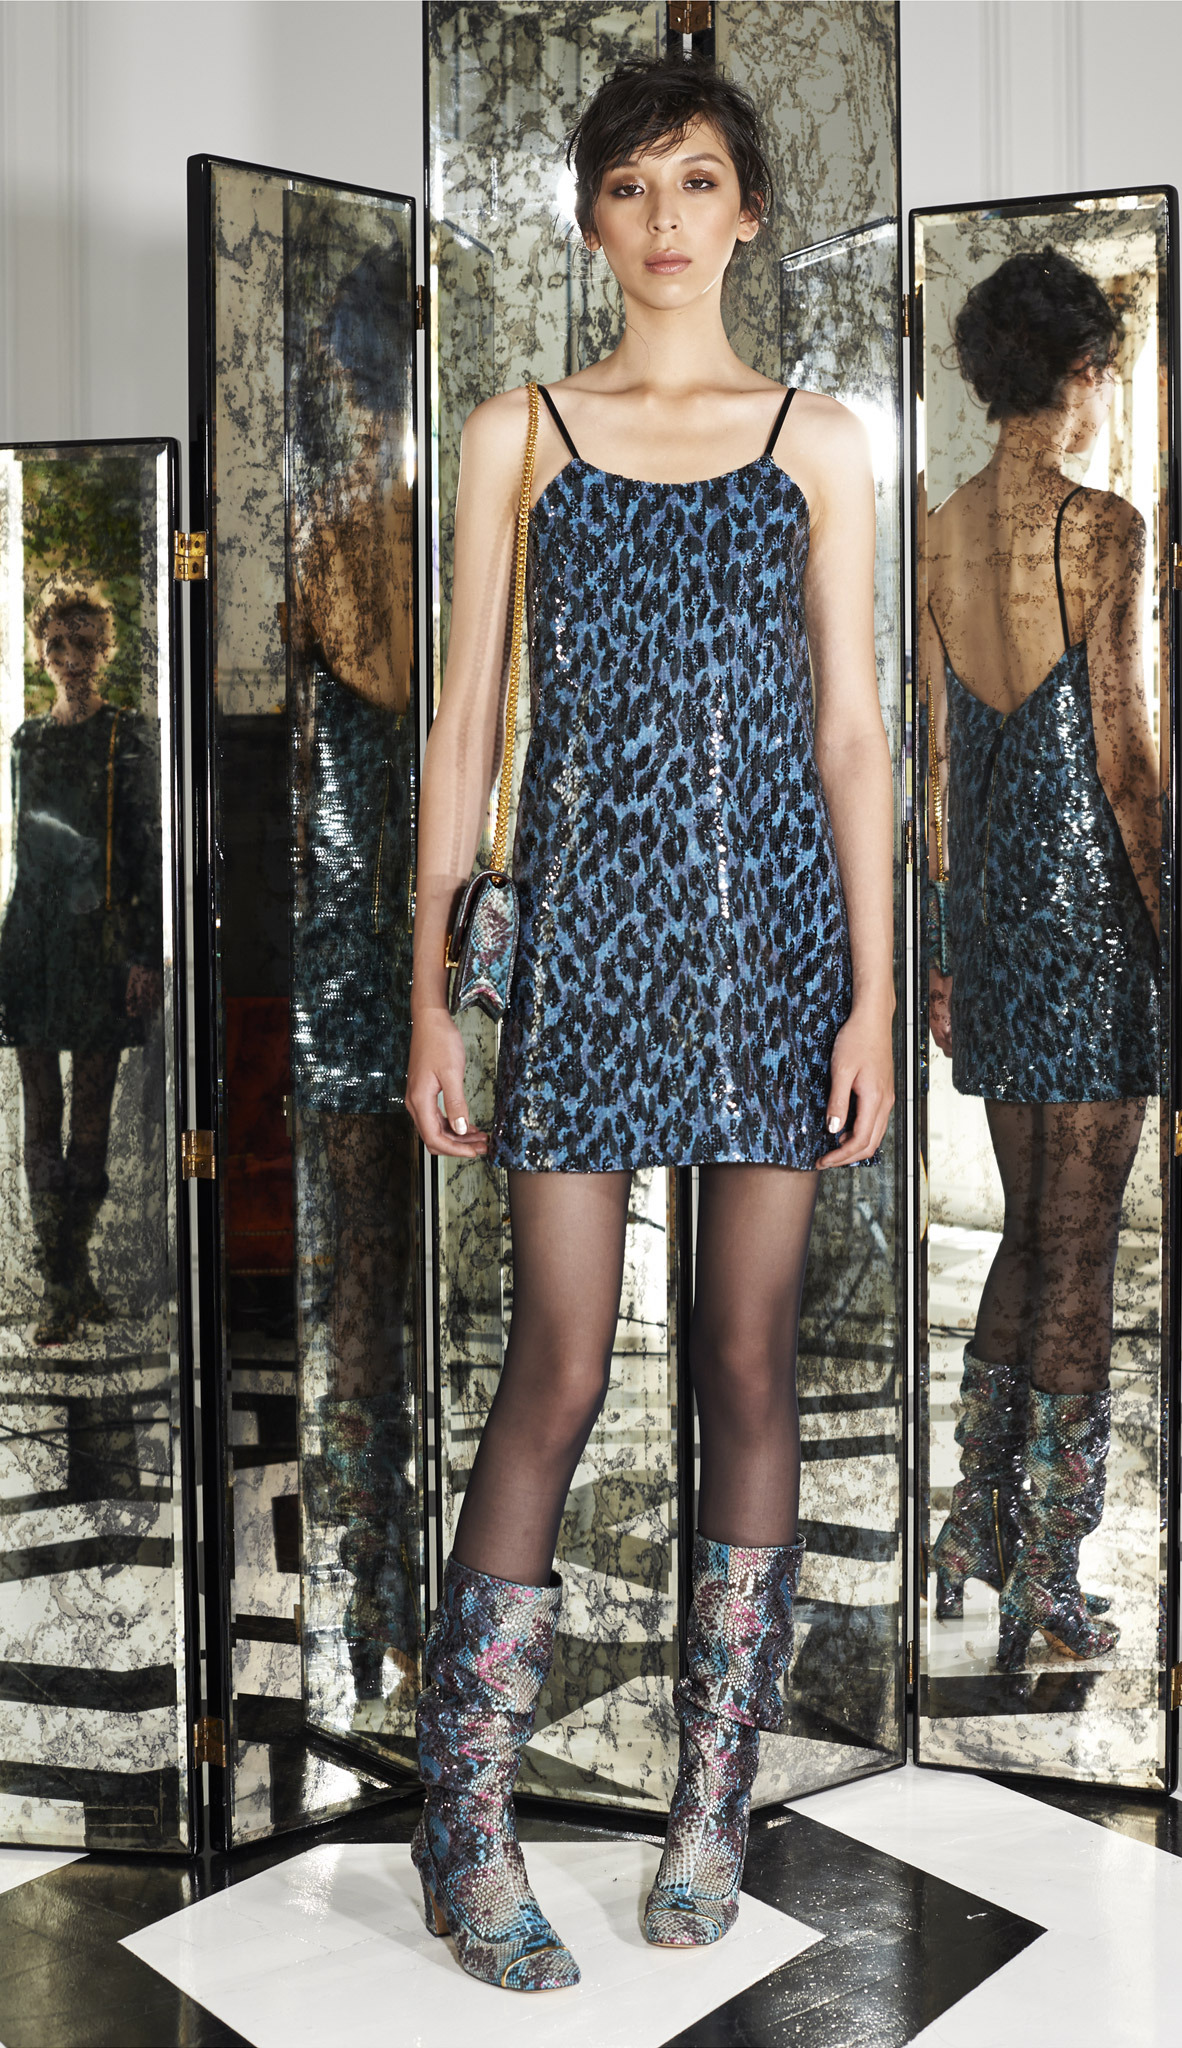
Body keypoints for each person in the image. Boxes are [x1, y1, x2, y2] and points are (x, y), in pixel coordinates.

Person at [404, 55, 893, 1994]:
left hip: (774, 946)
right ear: (590, 218)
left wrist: (872, 986)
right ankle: (464, 1822)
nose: (666, 216)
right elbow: (466, 723)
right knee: (557, 1359)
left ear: (744, 210)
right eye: (629, 185)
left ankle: (713, 1808)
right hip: (584, 945)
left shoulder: (817, 441)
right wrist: (435, 994)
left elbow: (851, 734)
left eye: (697, 179)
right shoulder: (517, 431)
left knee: (748, 1362)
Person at [923, 248, 1162, 1674]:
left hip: (995, 925)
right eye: (1100, 373)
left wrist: (944, 949)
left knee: (1027, 1232)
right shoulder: (1102, 527)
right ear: (1076, 374)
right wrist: (1170, 915)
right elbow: (1123, 754)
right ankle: (1050, 1580)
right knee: (1080, 1256)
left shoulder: (940, 528)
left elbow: (936, 776)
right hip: (1089, 920)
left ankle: (974, 1522)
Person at [287, 228, 422, 1715]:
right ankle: (404, 1588)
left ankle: (370, 1586)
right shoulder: (460, 527)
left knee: (363, 1278)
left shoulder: (330, 533)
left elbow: (323, 747)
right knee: (473, 1286)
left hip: (346, 937)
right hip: (442, 938)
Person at [0, 579, 159, 1346]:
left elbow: (147, 851)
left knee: (91, 1111)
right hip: (31, 941)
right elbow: (25, 849)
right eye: (57, 643)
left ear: (105, 650)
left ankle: (74, 1269)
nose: (69, 657)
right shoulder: (26, 741)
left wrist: (144, 953)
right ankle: (60, 1284)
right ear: (41, 651)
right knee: (42, 1112)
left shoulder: (130, 735)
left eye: (84, 643)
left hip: (100, 942)